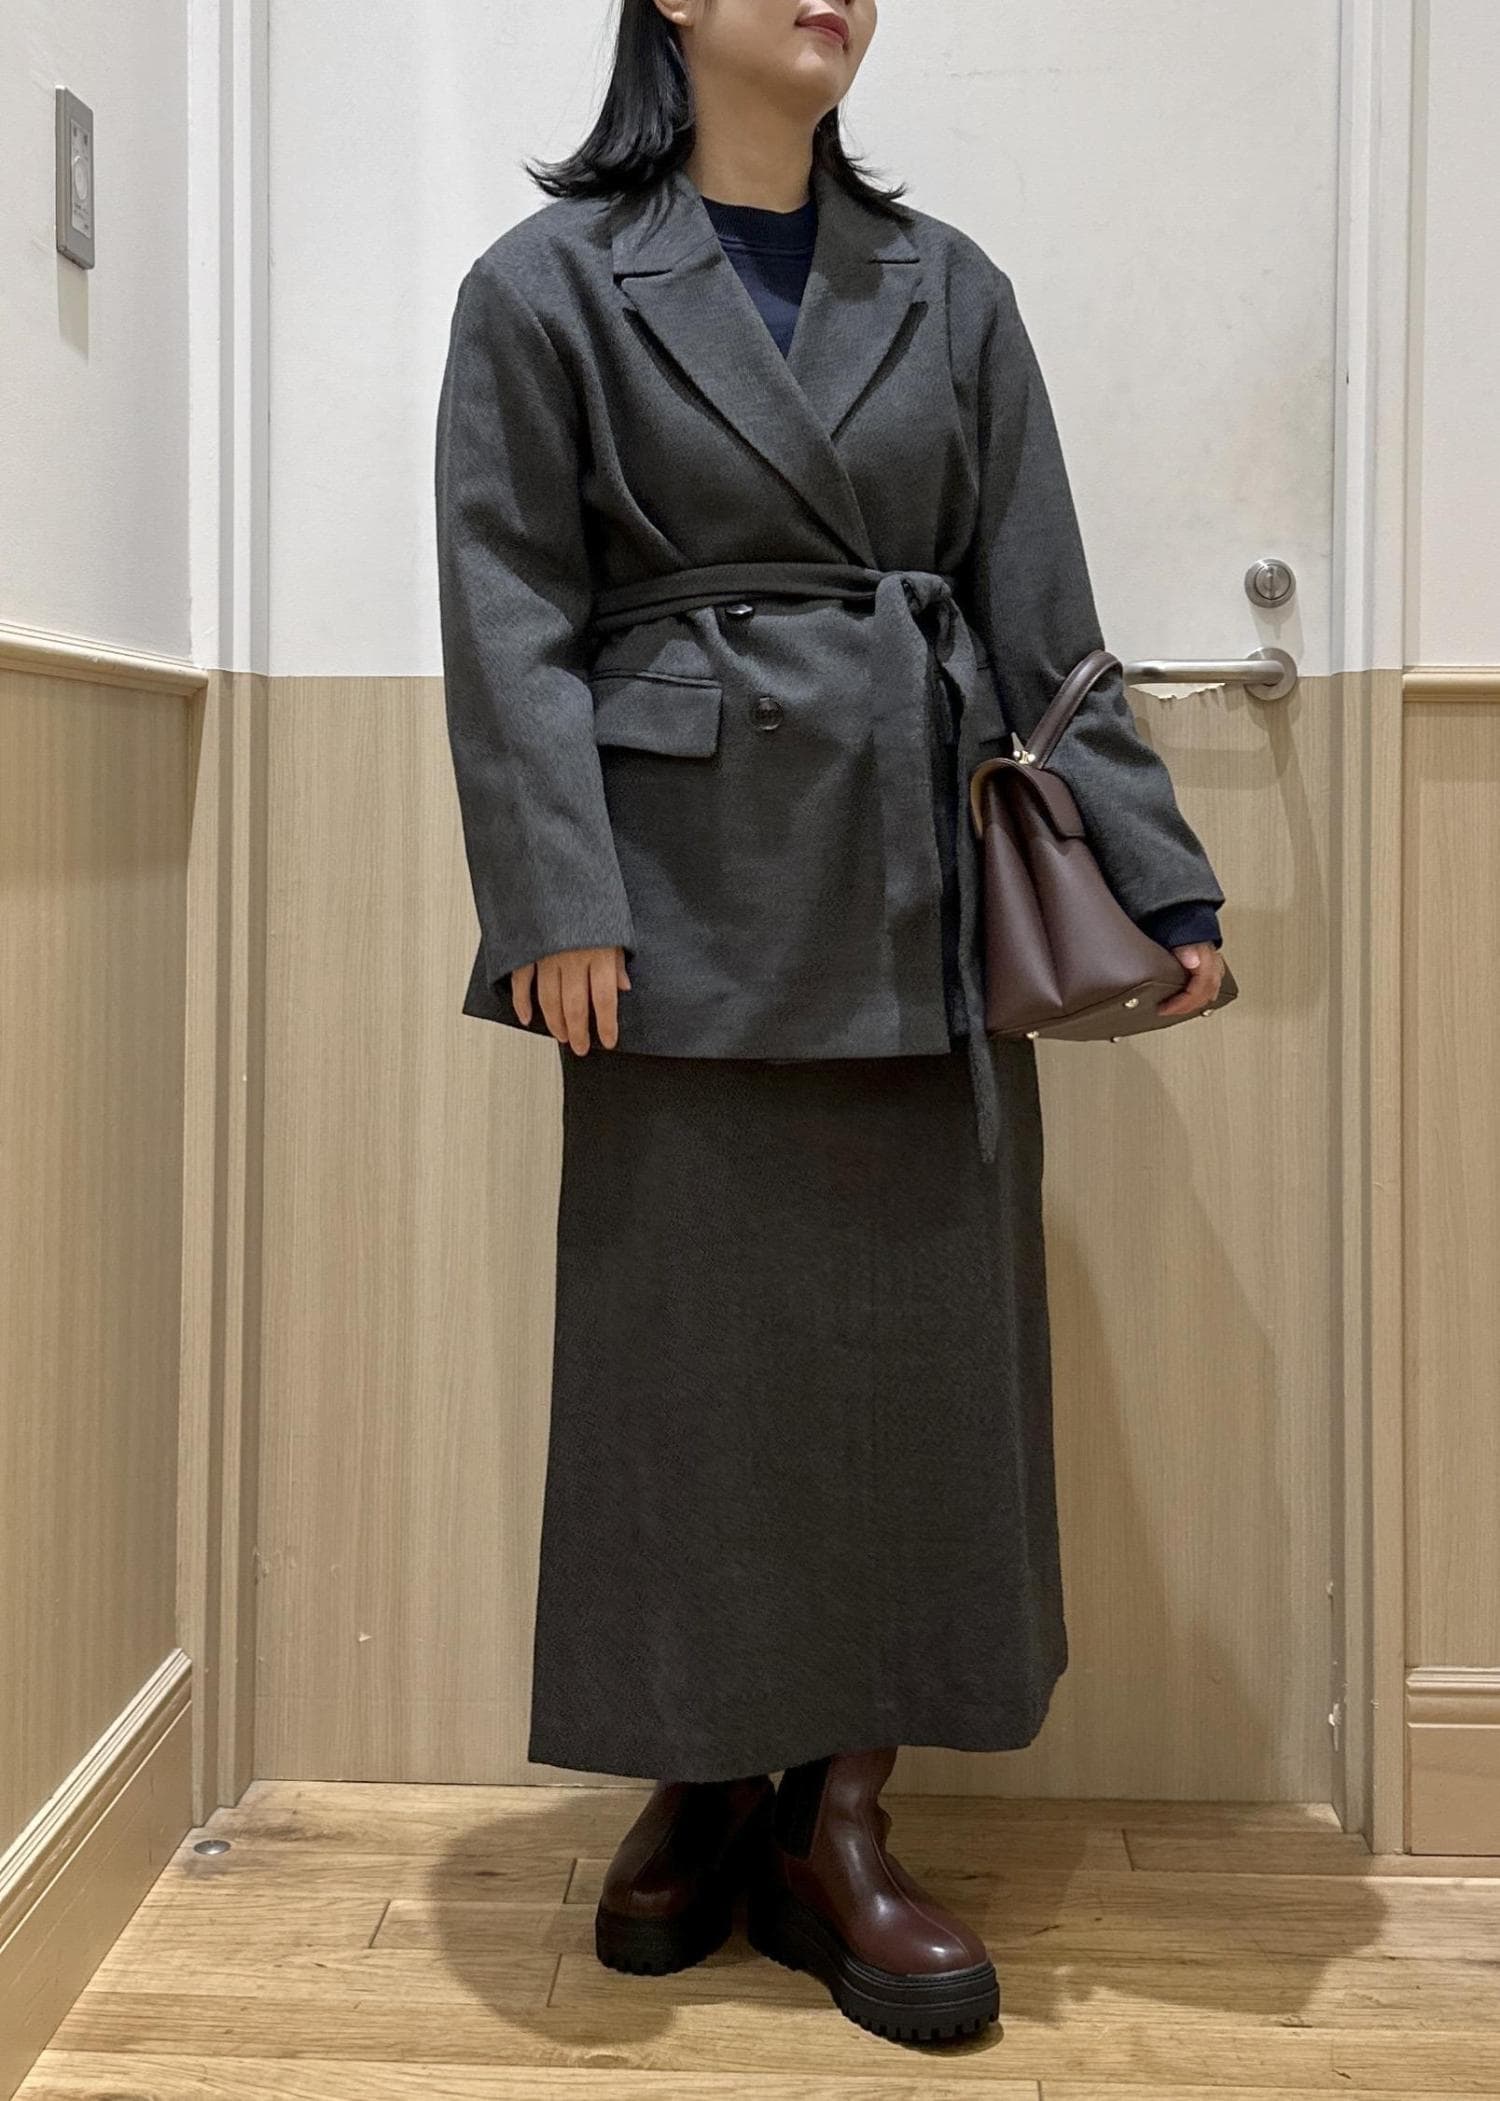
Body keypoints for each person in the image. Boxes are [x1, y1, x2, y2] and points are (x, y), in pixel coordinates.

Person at [433, 0, 1227, 2048]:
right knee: (683, 1362)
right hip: (676, 908)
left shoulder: (950, 291)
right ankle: (701, 1771)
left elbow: (1044, 616)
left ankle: (841, 1815)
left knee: (909, 1364)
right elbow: (510, 605)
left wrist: (1159, 877)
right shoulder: (544, 290)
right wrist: (556, 895)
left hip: (911, 888)